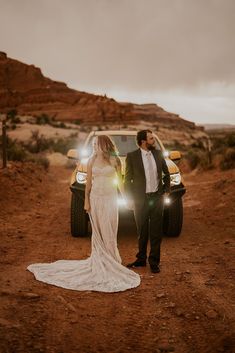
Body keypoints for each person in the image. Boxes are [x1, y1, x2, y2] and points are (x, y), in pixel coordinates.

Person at [27, 135, 140, 293]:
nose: (94, 146)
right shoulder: (91, 160)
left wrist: (127, 199)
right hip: (95, 198)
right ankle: (100, 260)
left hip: (110, 199)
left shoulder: (116, 161)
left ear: (104, 145)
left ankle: (112, 261)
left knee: (109, 229)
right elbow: (88, 183)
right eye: (93, 144)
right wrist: (86, 201)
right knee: (98, 232)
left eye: (96, 144)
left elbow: (120, 183)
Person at [124, 129, 170, 273]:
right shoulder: (132, 157)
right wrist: (130, 198)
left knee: (156, 232)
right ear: (143, 141)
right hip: (140, 199)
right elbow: (127, 180)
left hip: (156, 198)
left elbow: (166, 173)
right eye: (151, 138)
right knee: (142, 231)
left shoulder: (158, 154)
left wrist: (166, 191)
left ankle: (154, 262)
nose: (153, 140)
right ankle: (141, 259)